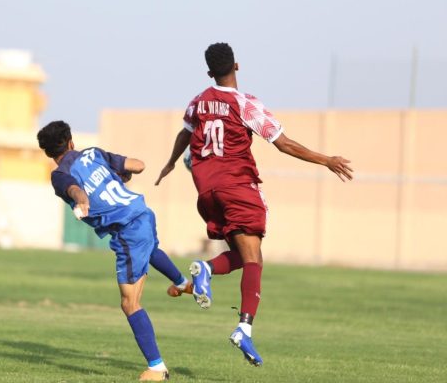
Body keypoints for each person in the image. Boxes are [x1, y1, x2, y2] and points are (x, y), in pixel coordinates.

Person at [155, 43, 353, 366]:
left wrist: (171, 162)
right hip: (237, 187)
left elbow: (185, 133)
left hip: (207, 191)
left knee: (249, 256)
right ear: (237, 65)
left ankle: (210, 273)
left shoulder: (198, 102)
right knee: (253, 260)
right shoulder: (245, 104)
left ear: (209, 72)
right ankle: (242, 327)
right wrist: (326, 160)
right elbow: (284, 144)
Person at [37, 121, 193, 382]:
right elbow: (138, 165)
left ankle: (157, 368)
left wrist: (82, 200)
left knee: (129, 303)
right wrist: (119, 174)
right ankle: (183, 283)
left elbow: (74, 189)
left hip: (128, 230)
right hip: (143, 213)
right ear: (71, 141)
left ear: (48, 152)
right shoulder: (93, 153)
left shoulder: (59, 175)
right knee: (151, 249)